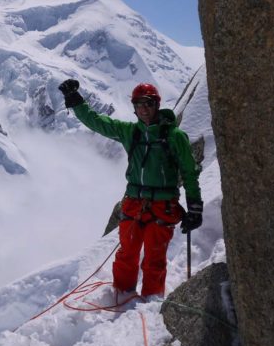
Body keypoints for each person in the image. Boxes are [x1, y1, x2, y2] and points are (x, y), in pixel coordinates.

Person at [57, 79, 203, 300]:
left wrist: (195, 207)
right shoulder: (131, 132)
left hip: (162, 206)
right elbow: (98, 122)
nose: (143, 109)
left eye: (148, 104)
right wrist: (76, 101)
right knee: (127, 254)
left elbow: (189, 173)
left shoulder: (174, 136)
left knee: (154, 258)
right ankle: (122, 295)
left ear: (157, 105)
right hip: (135, 203)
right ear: (134, 108)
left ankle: (151, 301)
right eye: (139, 105)